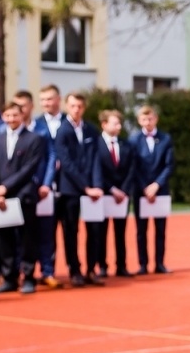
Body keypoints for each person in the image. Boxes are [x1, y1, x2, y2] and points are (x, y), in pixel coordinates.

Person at [0, 103, 47, 294]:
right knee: (4, 240)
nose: (11, 119)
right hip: (0, 198)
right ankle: (9, 278)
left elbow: (29, 168)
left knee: (28, 239)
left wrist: (6, 187)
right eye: (8, 115)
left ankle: (28, 277)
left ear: (23, 115)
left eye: (15, 115)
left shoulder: (35, 138)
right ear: (3, 116)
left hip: (24, 195)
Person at [51, 92, 98, 286]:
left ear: (84, 108)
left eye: (79, 106)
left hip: (92, 191)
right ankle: (75, 269)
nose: (76, 109)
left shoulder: (91, 130)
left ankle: (91, 269)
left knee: (94, 230)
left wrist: (95, 185)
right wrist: (85, 187)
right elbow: (66, 162)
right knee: (71, 231)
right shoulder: (62, 131)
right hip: (70, 189)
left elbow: (96, 159)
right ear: (67, 107)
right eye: (72, 106)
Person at [88, 109, 134, 280]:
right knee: (101, 232)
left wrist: (124, 190)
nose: (119, 126)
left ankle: (121, 266)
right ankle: (102, 266)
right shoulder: (95, 144)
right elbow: (97, 170)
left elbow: (131, 168)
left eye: (120, 123)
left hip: (122, 196)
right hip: (104, 194)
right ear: (104, 124)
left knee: (120, 233)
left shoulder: (126, 144)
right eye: (115, 123)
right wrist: (111, 189)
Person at [131, 104, 173, 274]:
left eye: (150, 118)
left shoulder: (165, 139)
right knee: (141, 230)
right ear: (139, 121)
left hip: (160, 190)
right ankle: (143, 264)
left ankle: (159, 263)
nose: (147, 122)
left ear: (156, 119)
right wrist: (144, 187)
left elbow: (169, 165)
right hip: (140, 192)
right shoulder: (133, 140)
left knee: (160, 230)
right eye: (144, 119)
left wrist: (156, 185)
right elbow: (133, 166)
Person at [30, 84, 64, 288]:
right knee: (42, 231)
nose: (46, 104)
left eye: (49, 99)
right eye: (42, 100)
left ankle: (53, 270)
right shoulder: (36, 125)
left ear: (58, 99)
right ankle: (41, 269)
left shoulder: (70, 123)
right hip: (42, 188)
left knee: (65, 231)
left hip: (66, 186)